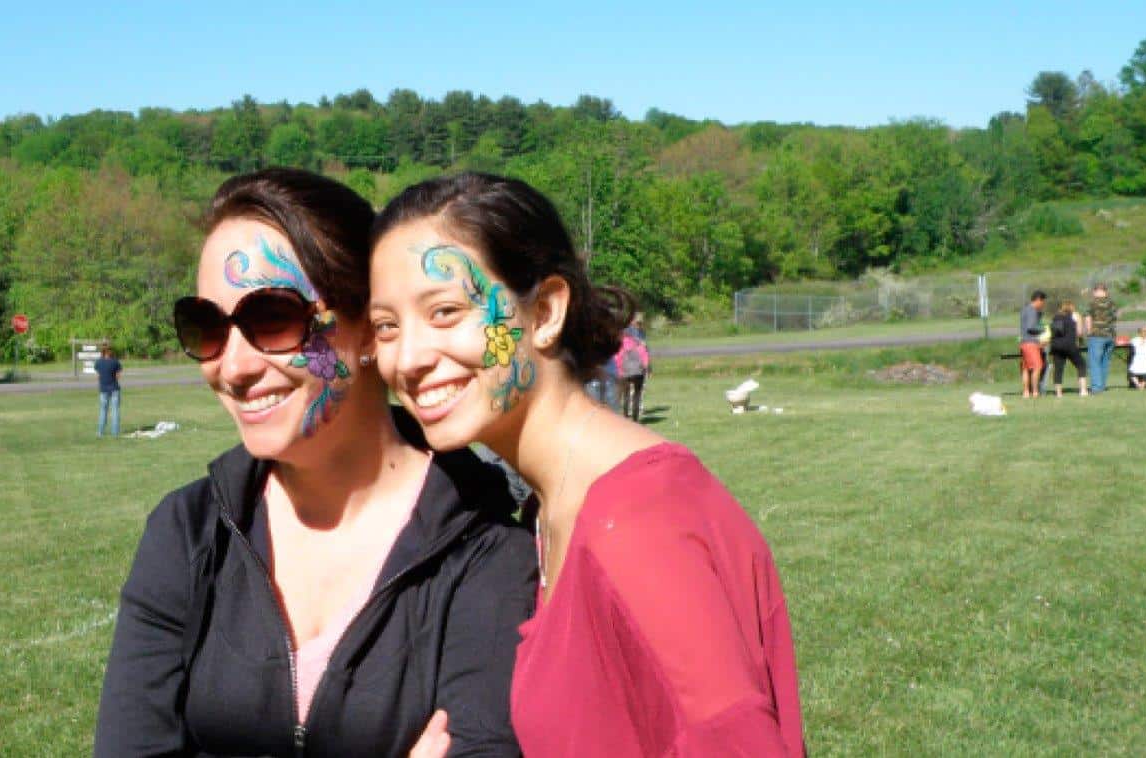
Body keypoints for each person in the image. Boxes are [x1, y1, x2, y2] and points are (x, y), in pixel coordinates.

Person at [95, 169, 536, 757]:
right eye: (206, 327)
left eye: (272, 318)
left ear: (369, 328)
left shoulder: (483, 551)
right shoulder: (189, 534)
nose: (233, 367)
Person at [368, 172, 805, 757]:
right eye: (387, 326)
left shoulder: (640, 522)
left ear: (546, 312)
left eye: (445, 311)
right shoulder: (550, 505)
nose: (408, 359)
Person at [1048, 301, 1088, 397]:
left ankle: (1058, 393)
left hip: (1056, 345)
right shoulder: (1075, 316)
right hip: (1069, 344)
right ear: (1072, 308)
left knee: (1058, 369)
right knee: (1081, 365)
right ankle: (1083, 391)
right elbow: (1079, 333)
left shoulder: (1055, 317)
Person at [1084, 283, 1118, 393]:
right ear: (1106, 291)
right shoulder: (1112, 304)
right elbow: (1115, 318)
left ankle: (1096, 388)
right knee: (1105, 362)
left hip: (1097, 336)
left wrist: (1089, 332)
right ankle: (1102, 386)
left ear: (1095, 291)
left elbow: (1088, 318)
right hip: (1110, 335)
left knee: (1095, 362)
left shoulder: (1092, 303)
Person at [614, 319, 650, 421]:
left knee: (626, 394)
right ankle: (635, 418)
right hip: (638, 372)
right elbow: (644, 356)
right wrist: (646, 368)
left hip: (624, 373)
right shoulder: (638, 343)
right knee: (637, 395)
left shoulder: (620, 345)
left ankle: (625, 415)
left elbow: (617, 359)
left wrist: (618, 371)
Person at [1019, 290, 1047, 398]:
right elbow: (1031, 327)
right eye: (1043, 302)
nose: (1043, 304)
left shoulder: (1025, 309)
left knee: (1026, 368)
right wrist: (1043, 329)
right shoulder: (1032, 311)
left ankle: (1026, 392)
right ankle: (1035, 391)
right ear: (1038, 300)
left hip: (1024, 342)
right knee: (1038, 367)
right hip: (1031, 343)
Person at [94, 346, 122, 437]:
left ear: (103, 352)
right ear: (111, 352)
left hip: (103, 389)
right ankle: (115, 433)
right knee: (115, 411)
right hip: (114, 388)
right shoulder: (115, 362)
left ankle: (100, 432)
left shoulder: (98, 362)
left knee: (103, 411)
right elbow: (118, 376)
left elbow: (98, 376)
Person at [1130, 325, 1146, 390]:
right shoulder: (1135, 340)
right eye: (1143, 331)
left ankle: (1142, 385)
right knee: (1132, 373)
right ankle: (1139, 385)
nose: (1144, 333)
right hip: (1138, 358)